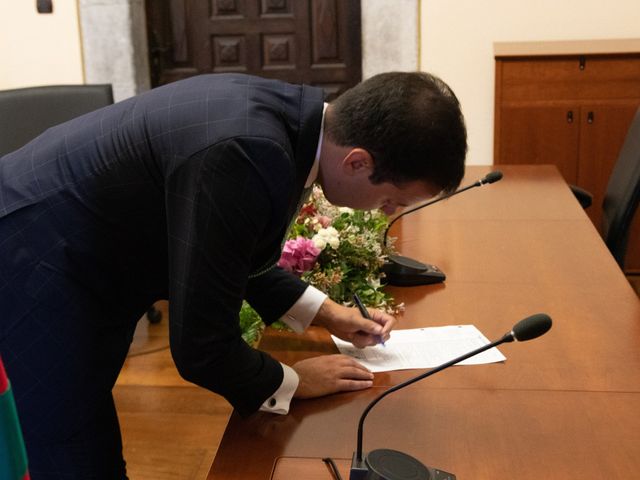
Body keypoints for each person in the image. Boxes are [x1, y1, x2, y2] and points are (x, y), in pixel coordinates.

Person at [0, 71, 467, 478]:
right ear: (358, 161)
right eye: (394, 201)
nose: (388, 212)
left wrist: (328, 314)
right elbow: (201, 345)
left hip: (67, 254)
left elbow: (224, 252)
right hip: (33, 258)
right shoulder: (245, 152)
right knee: (69, 450)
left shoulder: (292, 124)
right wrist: (292, 382)